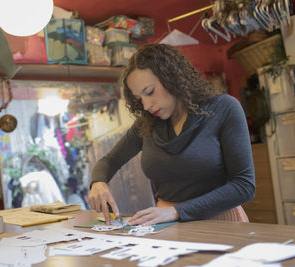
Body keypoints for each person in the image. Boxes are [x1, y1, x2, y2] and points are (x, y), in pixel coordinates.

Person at [88, 43, 255, 226]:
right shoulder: (146, 124)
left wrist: (177, 211)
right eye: (139, 99)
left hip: (219, 222)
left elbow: (244, 186)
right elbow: (109, 161)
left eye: (150, 92)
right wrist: (98, 182)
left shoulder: (224, 108)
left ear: (172, 78)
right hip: (168, 225)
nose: (146, 105)